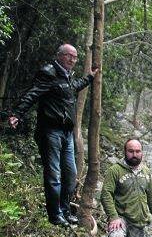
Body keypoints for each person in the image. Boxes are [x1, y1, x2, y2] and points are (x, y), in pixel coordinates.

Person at [7, 44, 99, 226]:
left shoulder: (67, 76)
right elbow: (33, 94)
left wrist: (89, 77)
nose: (72, 60)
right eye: (69, 56)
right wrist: (17, 113)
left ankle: (65, 211)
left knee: (70, 174)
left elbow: (73, 87)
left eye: (75, 57)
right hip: (51, 132)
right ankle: (55, 215)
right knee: (54, 174)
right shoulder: (49, 73)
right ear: (59, 56)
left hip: (66, 133)